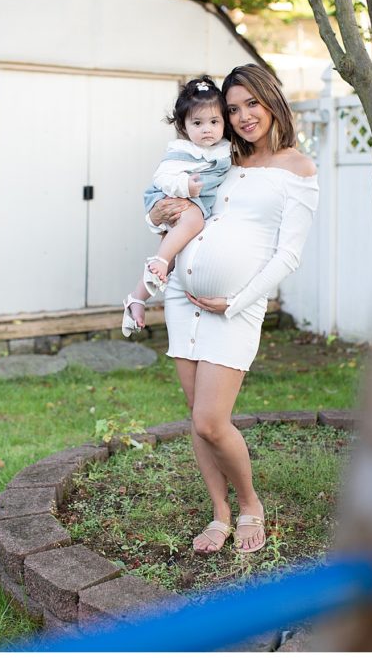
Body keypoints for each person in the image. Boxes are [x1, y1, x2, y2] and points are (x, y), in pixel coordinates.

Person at [148, 64, 318, 555]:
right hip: (183, 298)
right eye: (233, 108)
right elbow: (174, 206)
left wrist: (237, 300)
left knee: (210, 420)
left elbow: (289, 254)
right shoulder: (220, 160)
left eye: (252, 105)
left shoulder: (297, 169)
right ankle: (219, 514)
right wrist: (154, 213)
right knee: (195, 414)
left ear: (272, 102)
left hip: (234, 308)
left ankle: (249, 505)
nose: (243, 117)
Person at [122, 77, 232, 337]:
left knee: (172, 262)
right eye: (197, 123)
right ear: (183, 127)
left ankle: (136, 299)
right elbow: (162, 177)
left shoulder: (225, 149)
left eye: (214, 122)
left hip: (192, 208)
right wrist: (185, 186)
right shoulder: (182, 150)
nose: (207, 129)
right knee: (189, 229)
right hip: (171, 198)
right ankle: (159, 259)